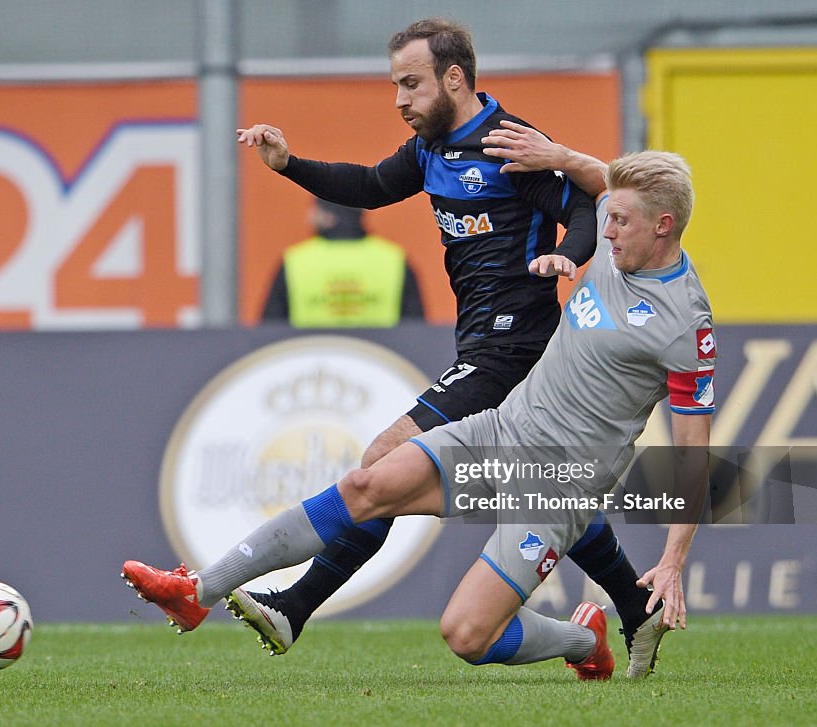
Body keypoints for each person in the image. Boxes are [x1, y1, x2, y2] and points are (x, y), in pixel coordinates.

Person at [124, 147, 713, 680]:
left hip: (559, 482)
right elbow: (598, 179)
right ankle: (200, 589)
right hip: (502, 429)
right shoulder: (622, 230)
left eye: (619, 221)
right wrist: (557, 154)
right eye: (607, 217)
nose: (603, 230)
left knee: (466, 635)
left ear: (663, 226)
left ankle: (584, 638)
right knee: (365, 484)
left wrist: (672, 562)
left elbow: (692, 451)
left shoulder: (684, 324)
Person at [232, 17, 668, 677]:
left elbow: (585, 204)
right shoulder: (432, 150)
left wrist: (566, 255)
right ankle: (635, 607)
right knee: (544, 488)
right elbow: (369, 186)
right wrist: (290, 165)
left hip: (517, 350)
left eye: (410, 83)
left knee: (383, 460)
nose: (400, 99)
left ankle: (296, 604)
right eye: (396, 85)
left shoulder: (511, 143)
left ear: (453, 78)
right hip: (484, 346)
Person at [261, 197, 425, 327]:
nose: (308, 217)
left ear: (328, 216)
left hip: (313, 362)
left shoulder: (294, 260)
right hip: (381, 362)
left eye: (314, 210)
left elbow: (270, 328)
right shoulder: (394, 259)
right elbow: (417, 327)